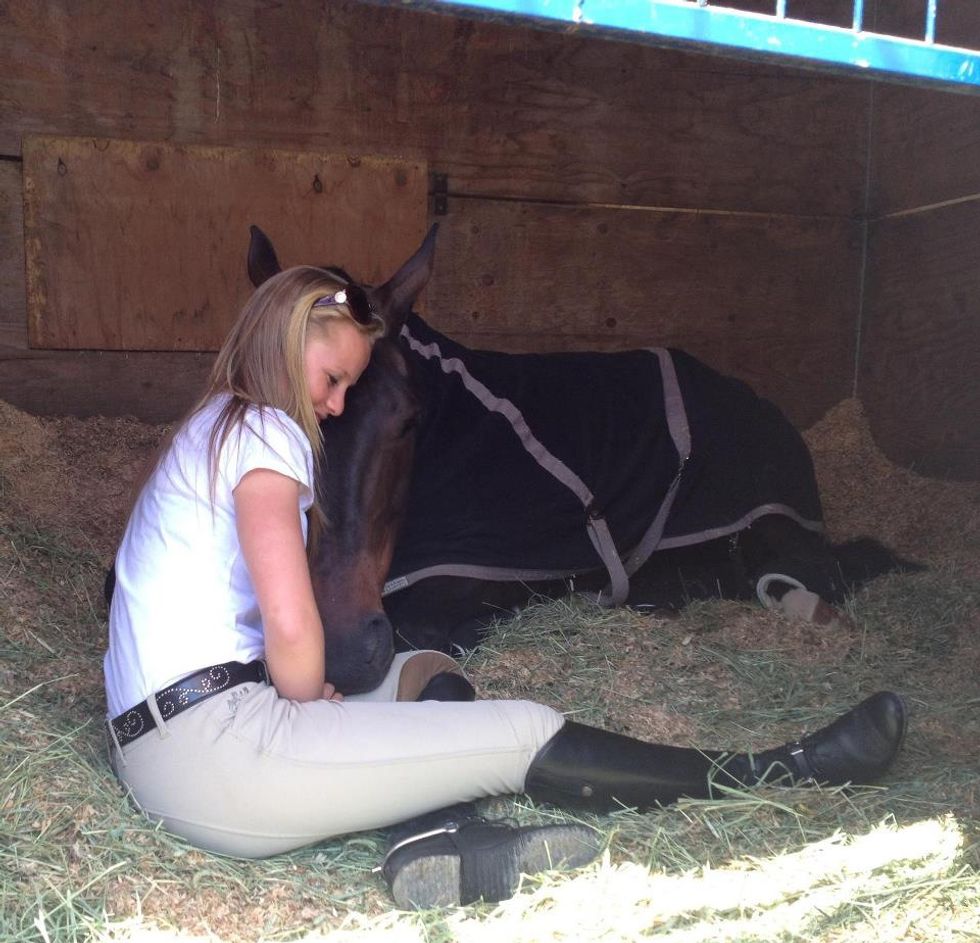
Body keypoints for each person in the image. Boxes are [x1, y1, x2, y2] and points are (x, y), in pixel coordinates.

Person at [103, 265, 908, 910]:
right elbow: (288, 625)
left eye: (349, 386)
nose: (338, 402)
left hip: (172, 747)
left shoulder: (214, 424)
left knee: (420, 669)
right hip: (220, 754)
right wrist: (309, 698)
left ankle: (434, 836)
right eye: (334, 377)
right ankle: (779, 770)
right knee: (520, 732)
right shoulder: (271, 433)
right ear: (290, 336)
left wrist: (311, 697)